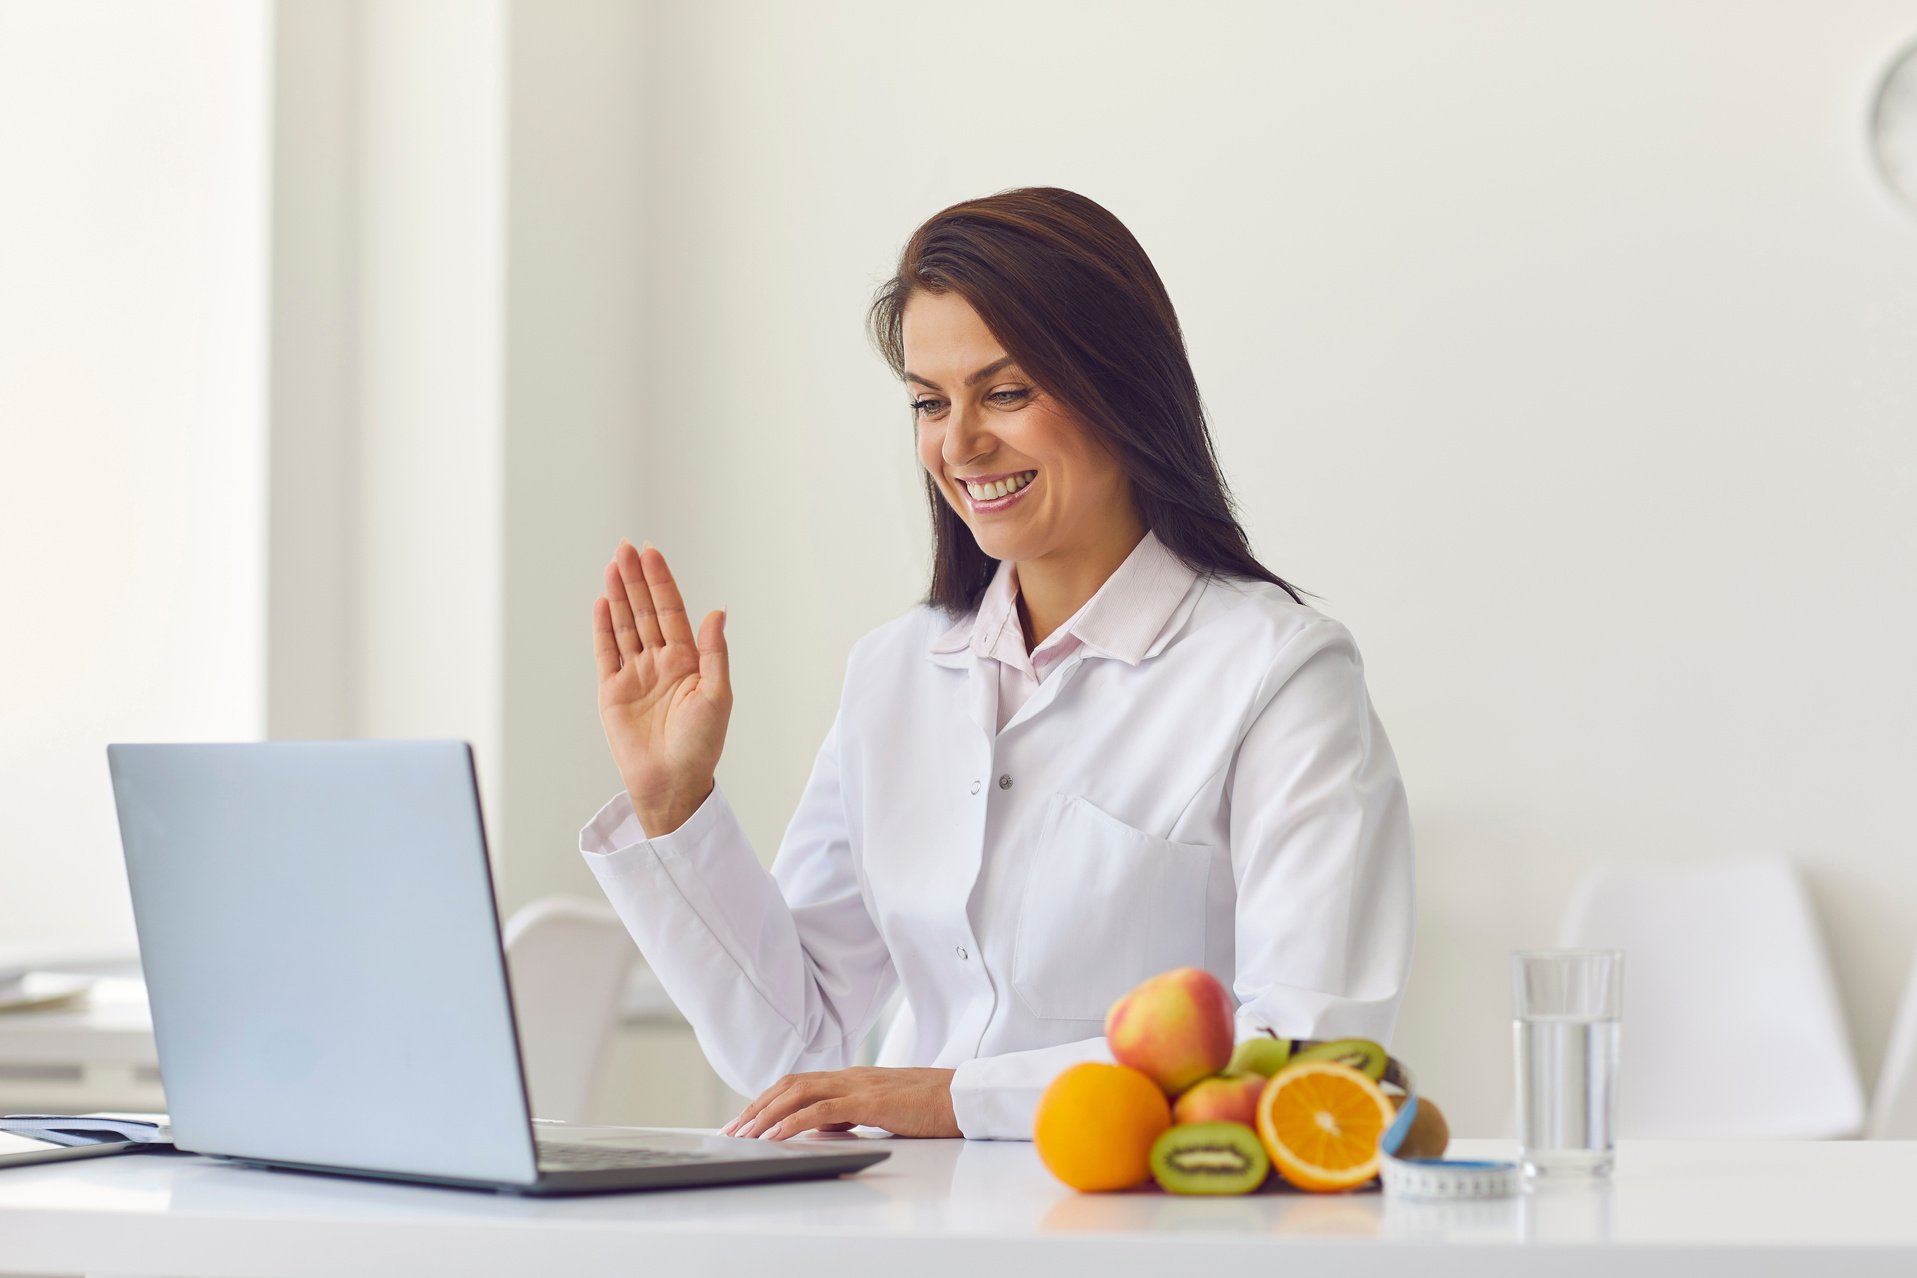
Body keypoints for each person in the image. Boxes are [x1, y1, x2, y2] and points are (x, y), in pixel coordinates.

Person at [581, 187, 1414, 1143]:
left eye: (1006, 392)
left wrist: (955, 1098)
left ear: (1121, 388)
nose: (960, 442)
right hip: (909, 1225)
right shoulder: (893, 672)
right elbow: (796, 1055)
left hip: (1146, 1229)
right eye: (929, 403)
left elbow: (1310, 1051)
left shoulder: (1278, 672)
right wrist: (672, 805)